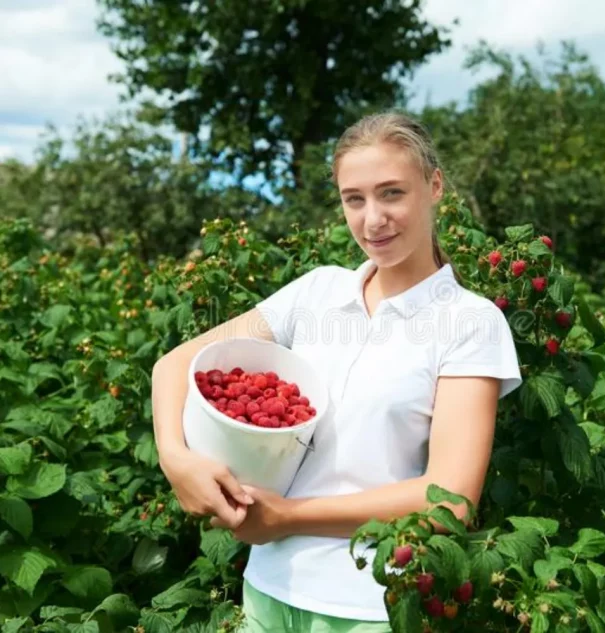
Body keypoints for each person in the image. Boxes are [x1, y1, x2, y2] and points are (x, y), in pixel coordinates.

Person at [151, 111, 523, 632]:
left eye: (392, 193)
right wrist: (176, 460)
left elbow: (450, 500)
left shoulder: (469, 322)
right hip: (268, 588)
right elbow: (175, 366)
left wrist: (285, 517)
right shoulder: (318, 292)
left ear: (434, 186)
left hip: (367, 604)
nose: (373, 219)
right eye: (355, 198)